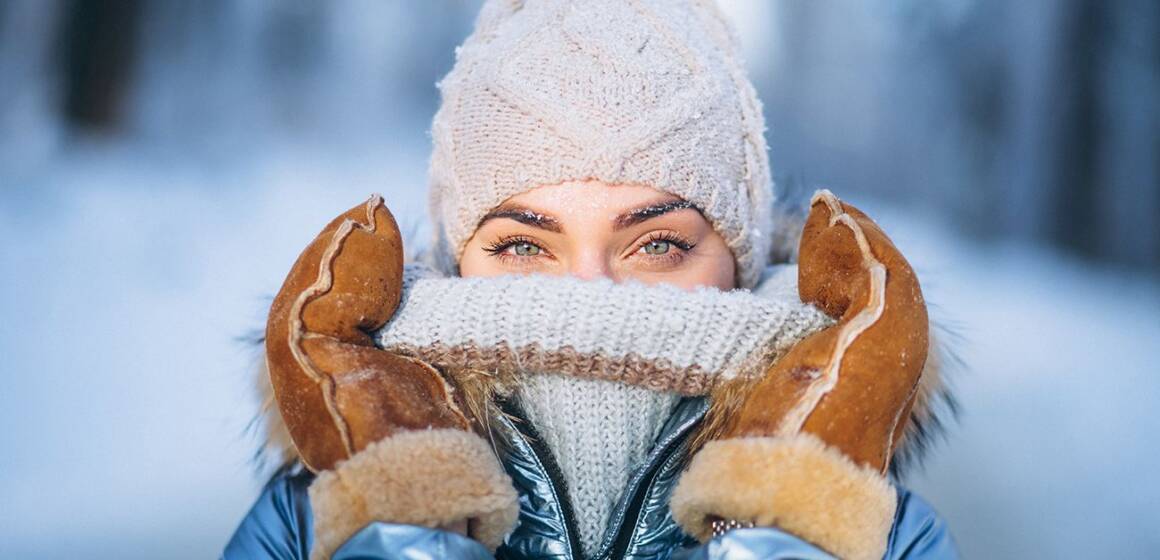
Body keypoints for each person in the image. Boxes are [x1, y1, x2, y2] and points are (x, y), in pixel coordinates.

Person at [223, 1, 958, 559]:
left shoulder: (871, 533)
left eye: (658, 244)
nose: (586, 293)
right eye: (521, 246)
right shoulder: (316, 522)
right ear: (455, 260)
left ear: (741, 258)